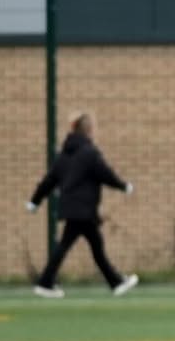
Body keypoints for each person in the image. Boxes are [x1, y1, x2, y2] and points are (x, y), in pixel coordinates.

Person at [26, 111, 139, 299]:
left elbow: (49, 181)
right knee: (86, 246)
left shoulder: (64, 155)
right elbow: (105, 174)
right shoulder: (90, 153)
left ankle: (115, 282)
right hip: (83, 210)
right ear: (88, 130)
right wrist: (124, 186)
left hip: (74, 209)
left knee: (88, 246)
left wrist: (34, 201)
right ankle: (46, 283)